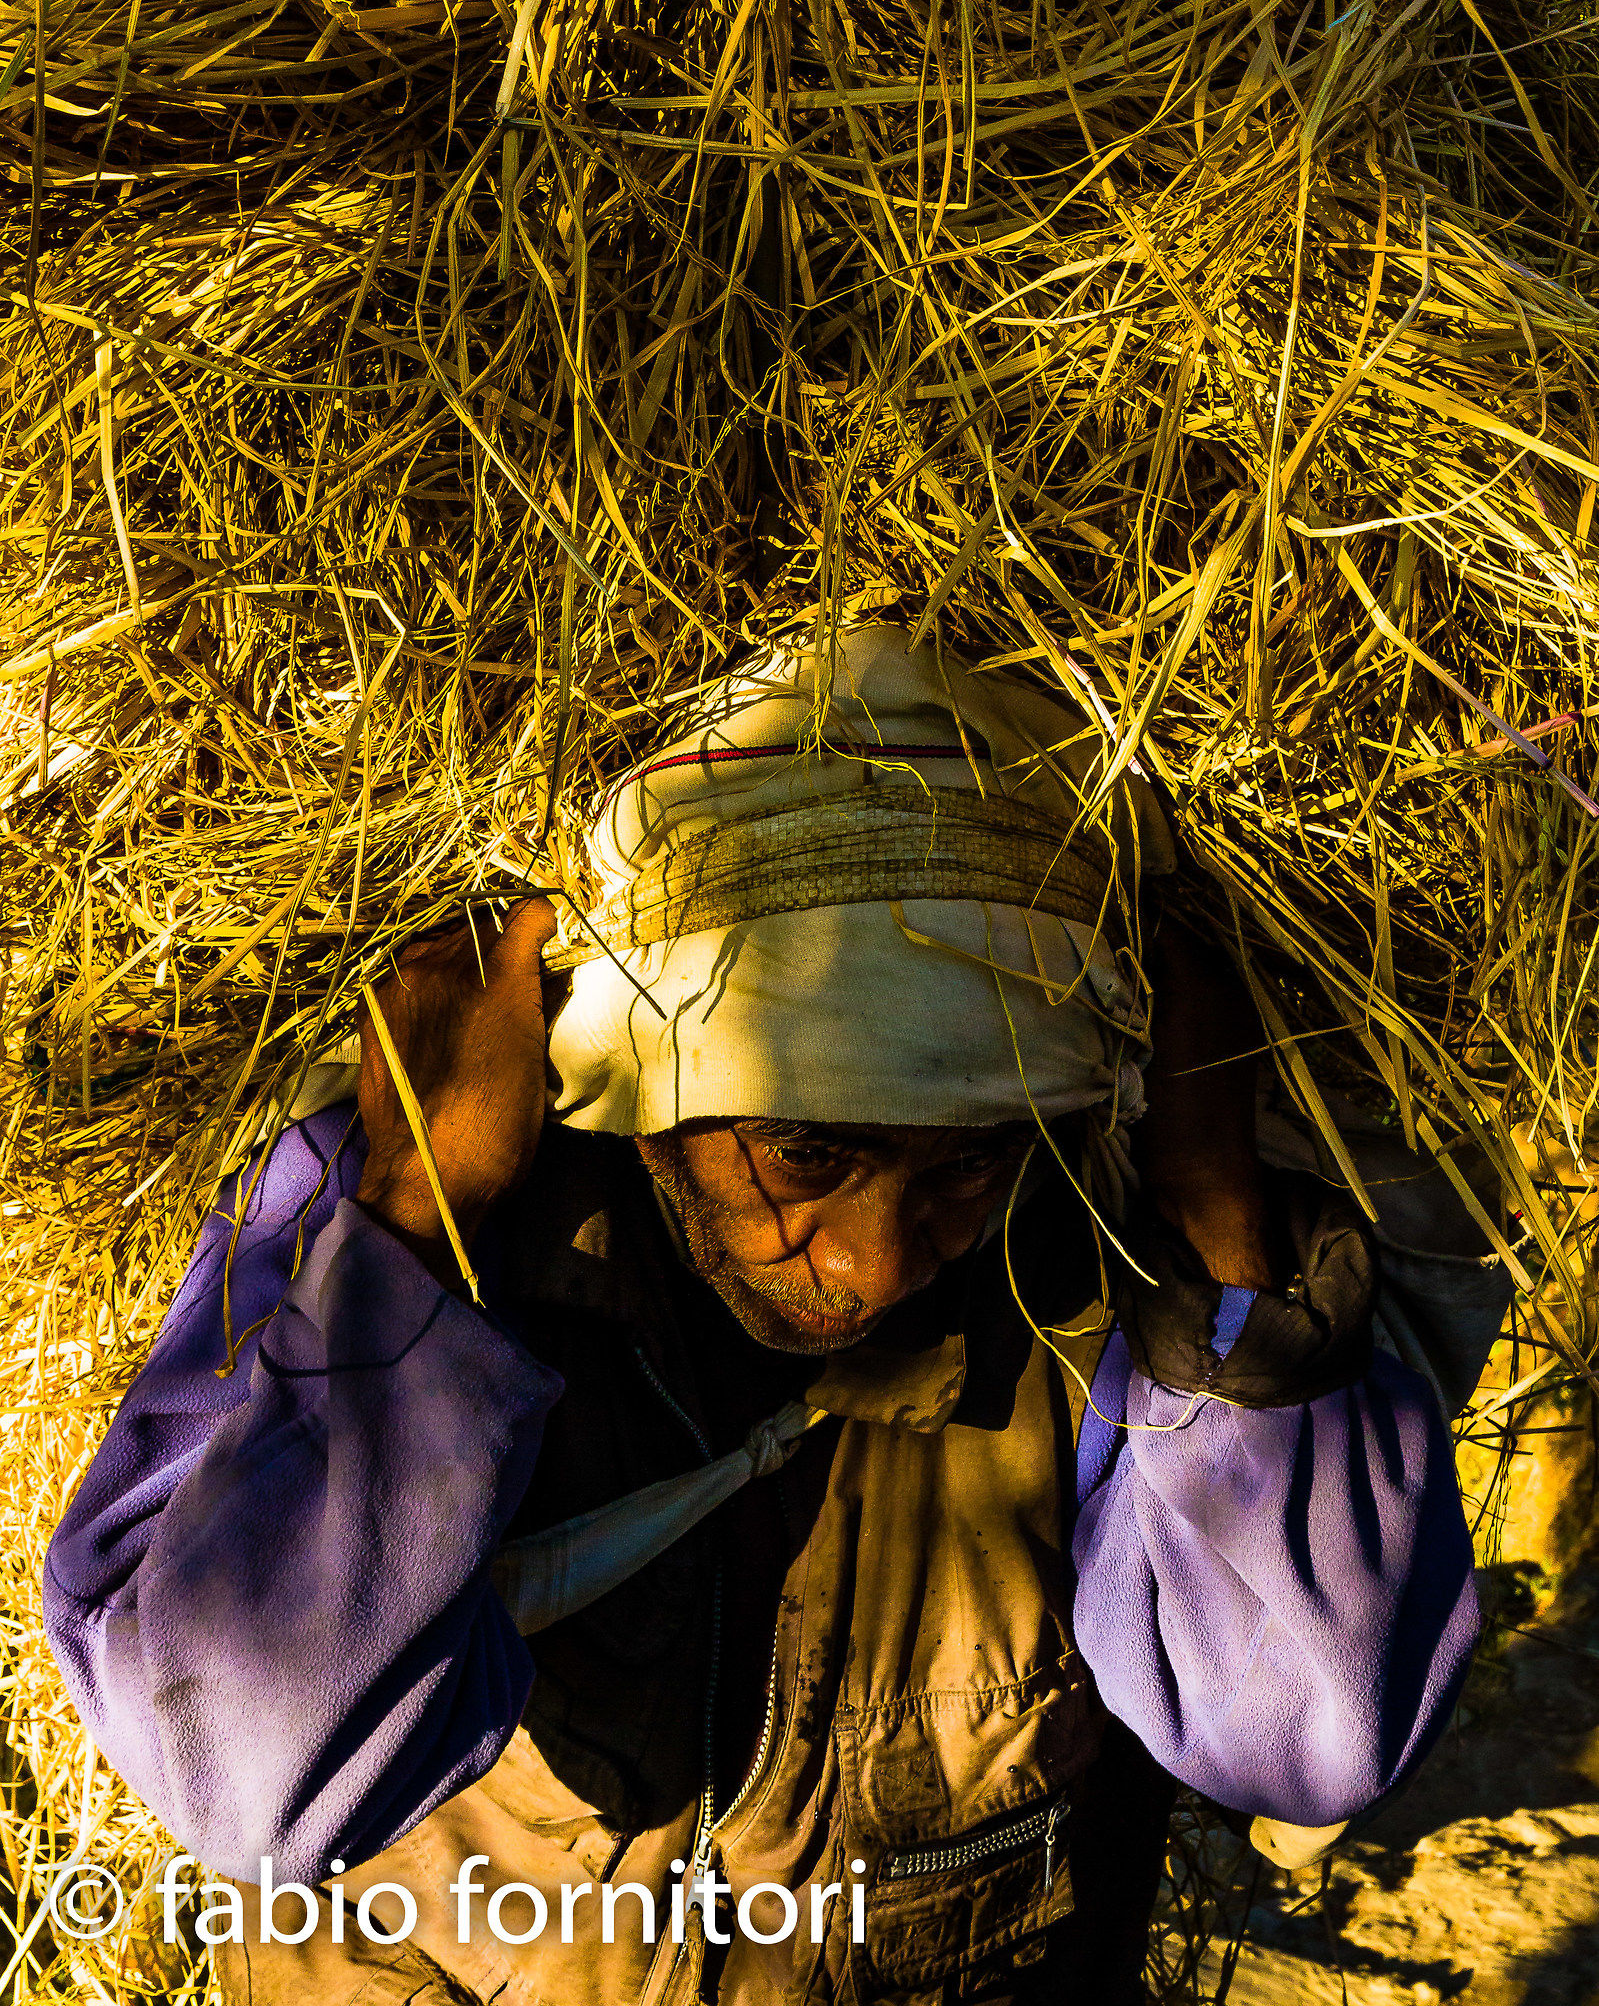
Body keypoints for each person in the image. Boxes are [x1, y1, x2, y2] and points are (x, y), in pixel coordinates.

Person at [43, 627, 1489, 2006]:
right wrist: (422, 1218)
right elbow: (245, 1769)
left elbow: (1309, 1733)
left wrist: (1210, 1206)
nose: (872, 1267)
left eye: (966, 1161)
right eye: (806, 1155)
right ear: (635, 1068)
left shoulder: (1106, 1283)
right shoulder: (374, 1216)